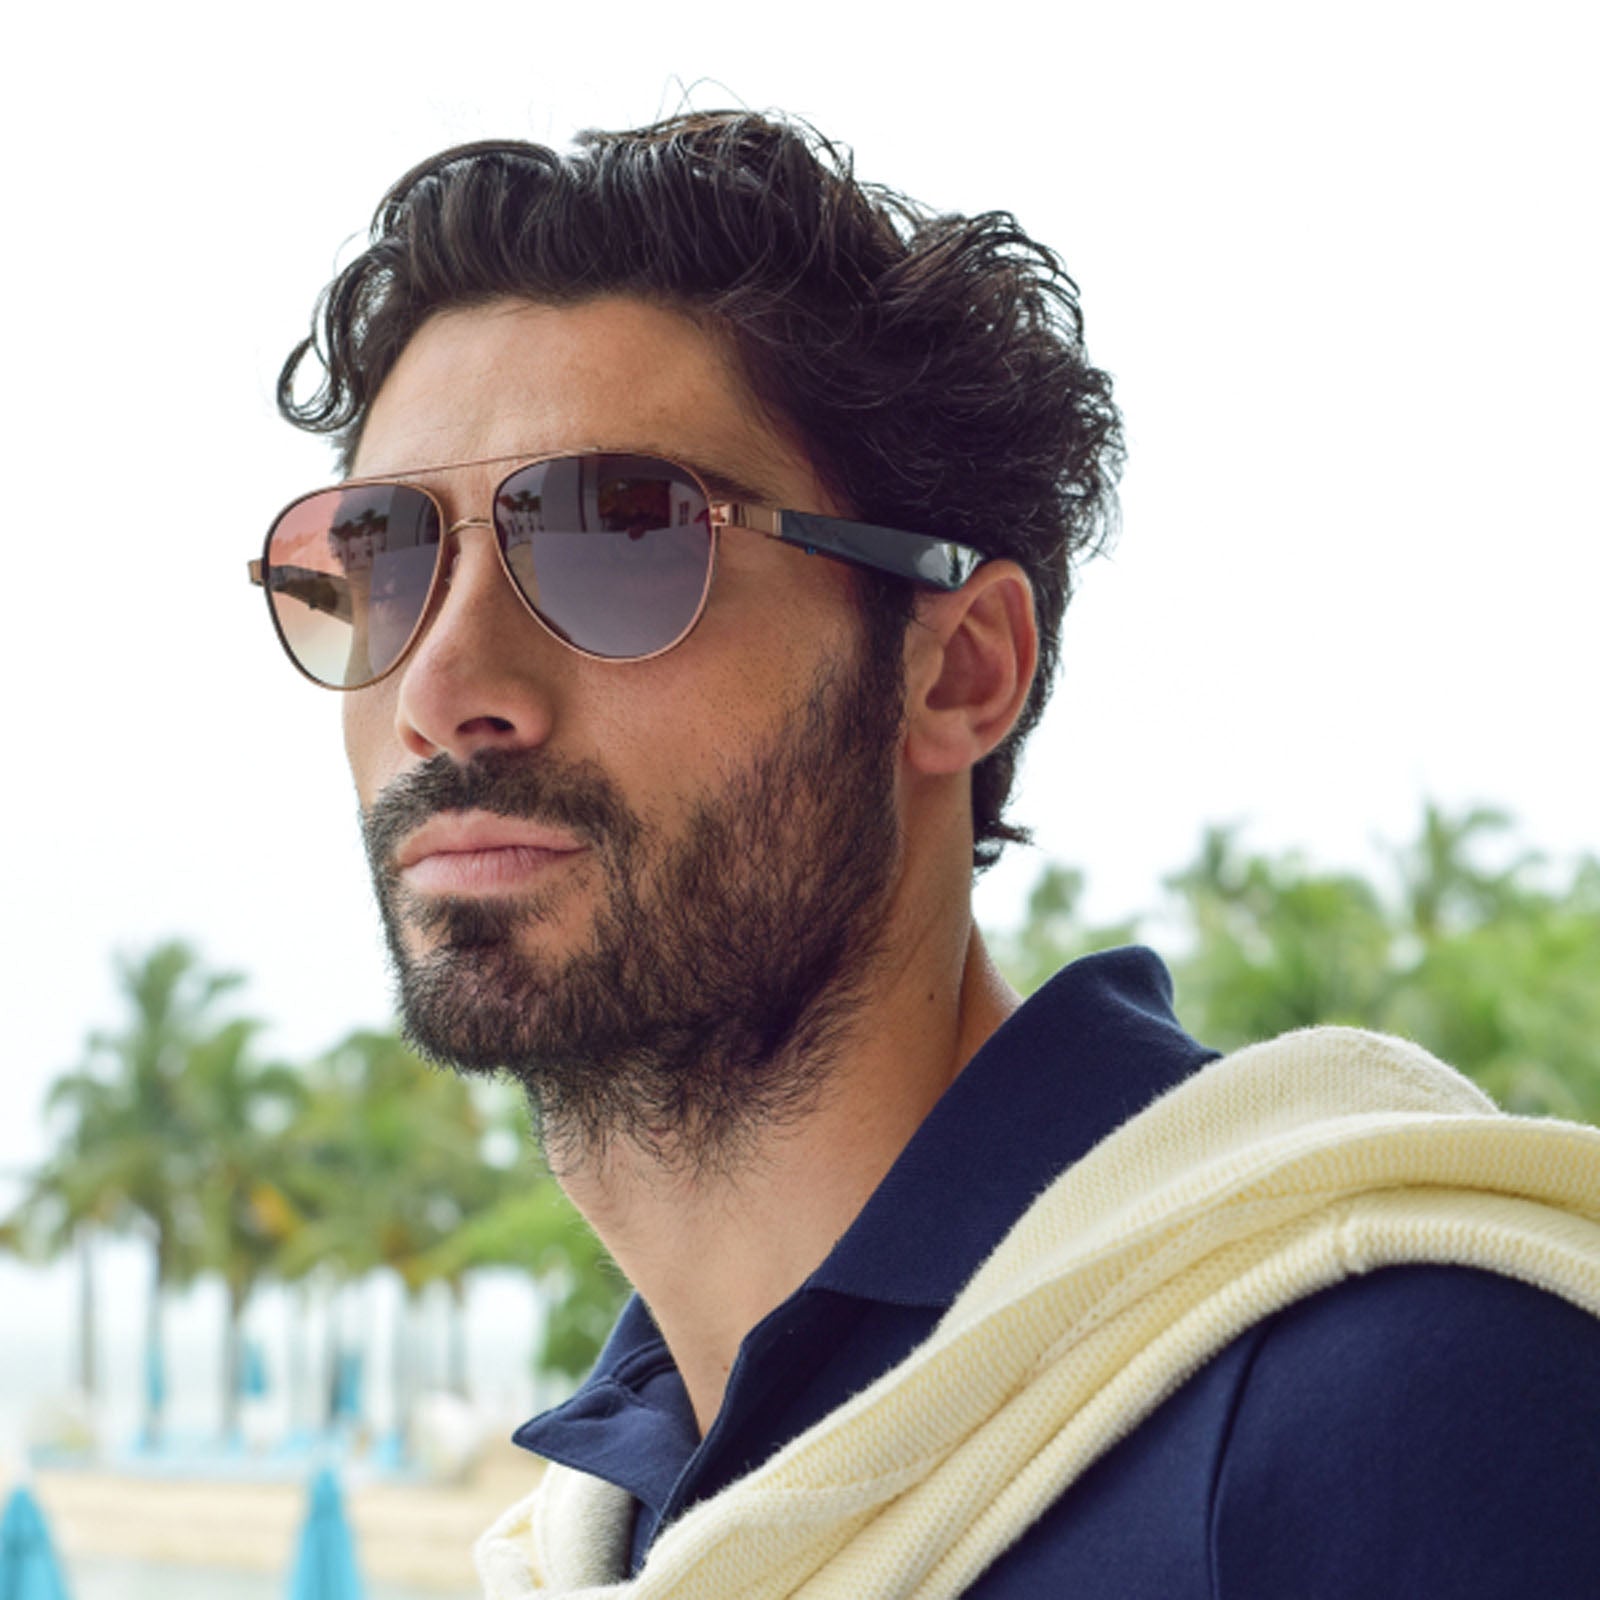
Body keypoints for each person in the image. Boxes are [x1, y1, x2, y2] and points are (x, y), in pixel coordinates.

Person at [255, 111, 1600, 1598]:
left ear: (957, 670)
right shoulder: (598, 1544)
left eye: (621, 537)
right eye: (381, 560)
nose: (444, 688)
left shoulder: (1395, 1400)